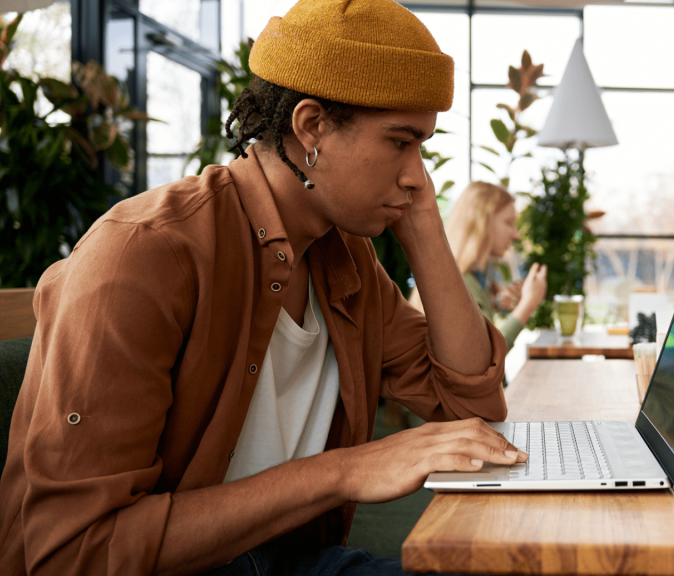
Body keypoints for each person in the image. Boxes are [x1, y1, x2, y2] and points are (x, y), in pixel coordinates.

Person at [0, 1, 528, 574]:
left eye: (421, 146)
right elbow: (71, 553)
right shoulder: (145, 254)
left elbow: (472, 405)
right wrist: (344, 471)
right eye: (401, 142)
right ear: (312, 126)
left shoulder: (344, 255)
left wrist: (424, 225)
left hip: (293, 557)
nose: (416, 174)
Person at [411, 181, 547, 352]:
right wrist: (528, 304)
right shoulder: (460, 282)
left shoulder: (472, 277)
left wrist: (496, 303)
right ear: (483, 221)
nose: (516, 234)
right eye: (508, 222)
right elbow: (486, 356)